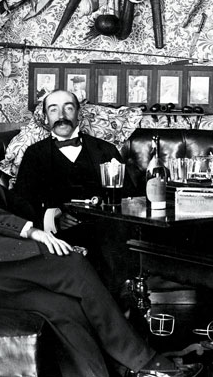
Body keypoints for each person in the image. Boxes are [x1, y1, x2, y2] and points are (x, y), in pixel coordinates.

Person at [0, 97, 200, 377]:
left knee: (63, 308)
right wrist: (31, 230)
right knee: (71, 265)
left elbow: (11, 202)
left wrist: (51, 210)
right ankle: (145, 362)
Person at [12, 89, 141, 293]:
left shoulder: (105, 150)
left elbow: (129, 199)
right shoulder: (34, 154)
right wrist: (53, 219)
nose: (61, 116)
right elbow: (21, 203)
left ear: (78, 113)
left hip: (106, 234)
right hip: (57, 236)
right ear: (46, 117)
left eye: (68, 108)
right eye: (53, 110)